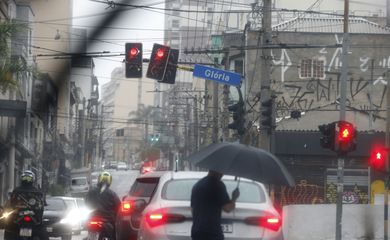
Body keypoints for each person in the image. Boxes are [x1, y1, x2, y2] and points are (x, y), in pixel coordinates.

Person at [191, 170, 240, 240]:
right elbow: (227, 208)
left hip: (197, 231)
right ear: (218, 171)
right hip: (212, 232)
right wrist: (234, 198)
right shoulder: (218, 185)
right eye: (222, 172)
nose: (223, 174)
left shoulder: (197, 185)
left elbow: (192, 209)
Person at [3, 170, 48, 240]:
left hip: (30, 219)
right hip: (20, 218)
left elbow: (42, 205)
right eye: (25, 178)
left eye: (28, 178)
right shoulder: (36, 191)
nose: (27, 180)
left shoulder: (18, 190)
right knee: (8, 226)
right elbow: (10, 203)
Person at [85, 171, 121, 239]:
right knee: (114, 235)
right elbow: (119, 207)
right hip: (107, 221)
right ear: (109, 181)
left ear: (99, 179)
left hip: (91, 219)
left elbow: (86, 203)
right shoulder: (112, 194)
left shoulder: (91, 192)